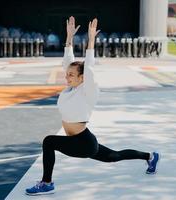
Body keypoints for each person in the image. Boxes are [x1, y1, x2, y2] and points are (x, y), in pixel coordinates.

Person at [25, 16, 160, 196]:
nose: (67, 77)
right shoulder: (70, 89)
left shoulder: (88, 91)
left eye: (71, 75)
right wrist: (69, 38)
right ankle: (150, 156)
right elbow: (68, 62)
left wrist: (90, 41)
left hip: (82, 142)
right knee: (115, 156)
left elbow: (88, 68)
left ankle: (47, 183)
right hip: (85, 141)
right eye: (67, 74)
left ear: (82, 78)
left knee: (49, 142)